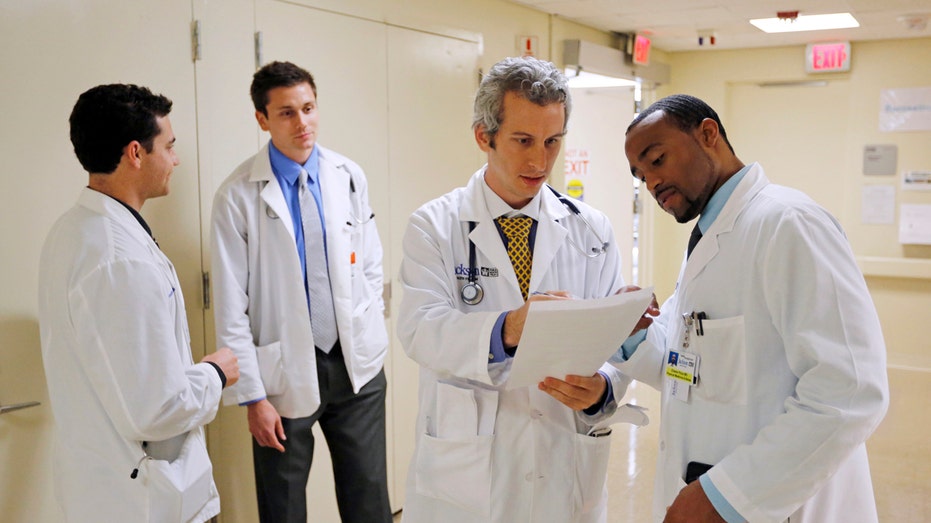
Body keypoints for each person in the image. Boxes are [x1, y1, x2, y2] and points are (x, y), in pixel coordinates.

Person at [397, 56, 652, 523]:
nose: (540, 160)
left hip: (562, 459)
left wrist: (602, 390)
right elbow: (420, 330)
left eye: (553, 141)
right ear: (484, 136)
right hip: (467, 474)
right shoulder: (434, 226)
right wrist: (510, 328)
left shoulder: (591, 230)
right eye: (523, 141)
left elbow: (614, 347)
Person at [615, 94, 889, 522]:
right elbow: (690, 369)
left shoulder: (789, 223)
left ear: (708, 134)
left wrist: (730, 495)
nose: (651, 183)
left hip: (772, 504)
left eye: (657, 159)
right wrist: (635, 335)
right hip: (704, 481)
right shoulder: (709, 237)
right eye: (640, 175)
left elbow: (850, 388)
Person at [37, 84, 240, 522]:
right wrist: (215, 374)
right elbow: (156, 410)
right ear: (135, 153)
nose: (175, 159)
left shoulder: (74, 231)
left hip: (109, 486)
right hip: (143, 499)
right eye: (168, 146)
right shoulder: (119, 259)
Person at [211, 61, 391, 523]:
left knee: (369, 499)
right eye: (287, 113)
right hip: (283, 373)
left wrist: (368, 324)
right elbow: (232, 309)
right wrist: (252, 397)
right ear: (262, 119)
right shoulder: (236, 196)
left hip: (357, 369)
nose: (302, 123)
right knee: (283, 504)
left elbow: (370, 264)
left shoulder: (348, 175)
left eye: (308, 108)